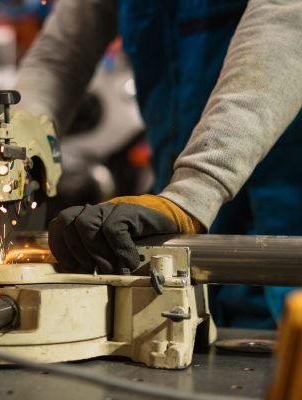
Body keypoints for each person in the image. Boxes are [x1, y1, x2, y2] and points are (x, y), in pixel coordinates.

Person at [15, 0, 302, 328]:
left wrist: (192, 193)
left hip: (283, 229)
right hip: (180, 216)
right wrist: (13, 150)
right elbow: (59, 54)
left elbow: (287, 24)